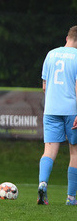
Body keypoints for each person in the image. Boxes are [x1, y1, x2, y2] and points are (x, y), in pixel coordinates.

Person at [38, 26, 77, 206]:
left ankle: (43, 184)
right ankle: (70, 198)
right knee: (74, 152)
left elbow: (45, 86)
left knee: (49, 150)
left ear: (67, 37)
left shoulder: (51, 54)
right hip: (72, 110)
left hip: (51, 109)